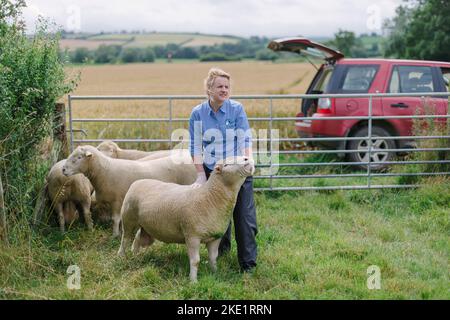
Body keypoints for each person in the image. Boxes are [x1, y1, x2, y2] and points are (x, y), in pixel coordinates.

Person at [189, 68, 257, 273]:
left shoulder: (236, 109)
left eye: (227, 86)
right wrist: (201, 175)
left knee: (244, 216)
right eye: (220, 86)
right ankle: (222, 252)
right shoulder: (198, 113)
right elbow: (195, 146)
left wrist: (248, 159)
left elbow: (245, 137)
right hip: (215, 173)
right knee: (217, 215)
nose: (224, 90)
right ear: (209, 88)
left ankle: (248, 264)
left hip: (237, 172)